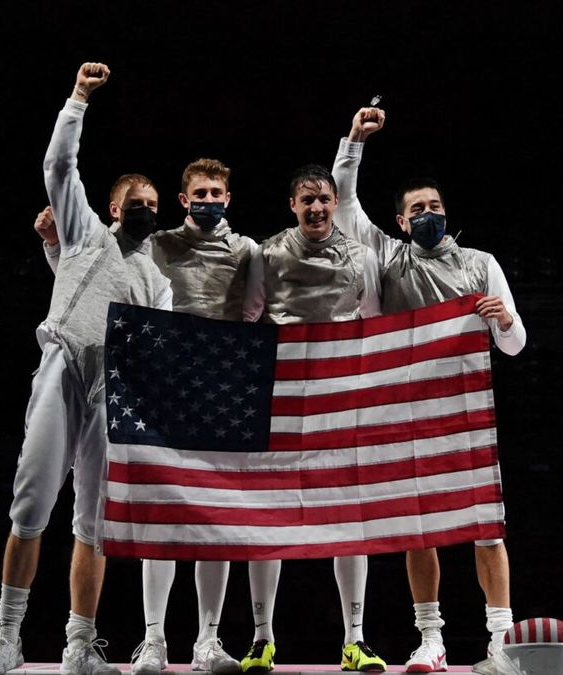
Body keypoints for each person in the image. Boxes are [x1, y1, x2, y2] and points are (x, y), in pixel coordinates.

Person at [0, 61, 170, 675]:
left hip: (114, 392)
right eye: (136, 202)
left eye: (153, 204)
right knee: (31, 505)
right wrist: (79, 98)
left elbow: (163, 344)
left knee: (96, 522)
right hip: (61, 371)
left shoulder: (158, 277)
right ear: (113, 206)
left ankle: (79, 645)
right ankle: (7, 638)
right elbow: (59, 167)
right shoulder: (83, 232)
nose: (145, 210)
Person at [43, 158, 261, 675]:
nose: (209, 199)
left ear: (228, 197)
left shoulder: (246, 249)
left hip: (217, 391)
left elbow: (253, 313)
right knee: (159, 510)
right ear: (184, 199)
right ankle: (154, 640)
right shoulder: (155, 242)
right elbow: (93, 283)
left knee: (214, 517)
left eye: (217, 191)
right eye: (200, 192)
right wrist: (55, 247)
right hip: (156, 386)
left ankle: (208, 641)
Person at [330, 107, 527, 675]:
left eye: (435, 207)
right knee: (419, 526)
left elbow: (514, 346)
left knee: (484, 525)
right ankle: (431, 640)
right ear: (399, 220)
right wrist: (354, 143)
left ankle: (499, 641)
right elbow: (345, 204)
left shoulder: (480, 264)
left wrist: (505, 322)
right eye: (417, 210)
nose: (428, 215)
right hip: (408, 412)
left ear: (447, 213)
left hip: (465, 411)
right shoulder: (387, 257)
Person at [243, 164, 386, 673]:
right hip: (282, 398)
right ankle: (262, 640)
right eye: (307, 200)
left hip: (341, 397)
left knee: (347, 515)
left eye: (324, 199)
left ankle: (355, 639)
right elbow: (250, 317)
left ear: (334, 201)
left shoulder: (361, 256)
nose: (317, 208)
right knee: (267, 519)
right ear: (293, 206)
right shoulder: (268, 253)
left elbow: (372, 321)